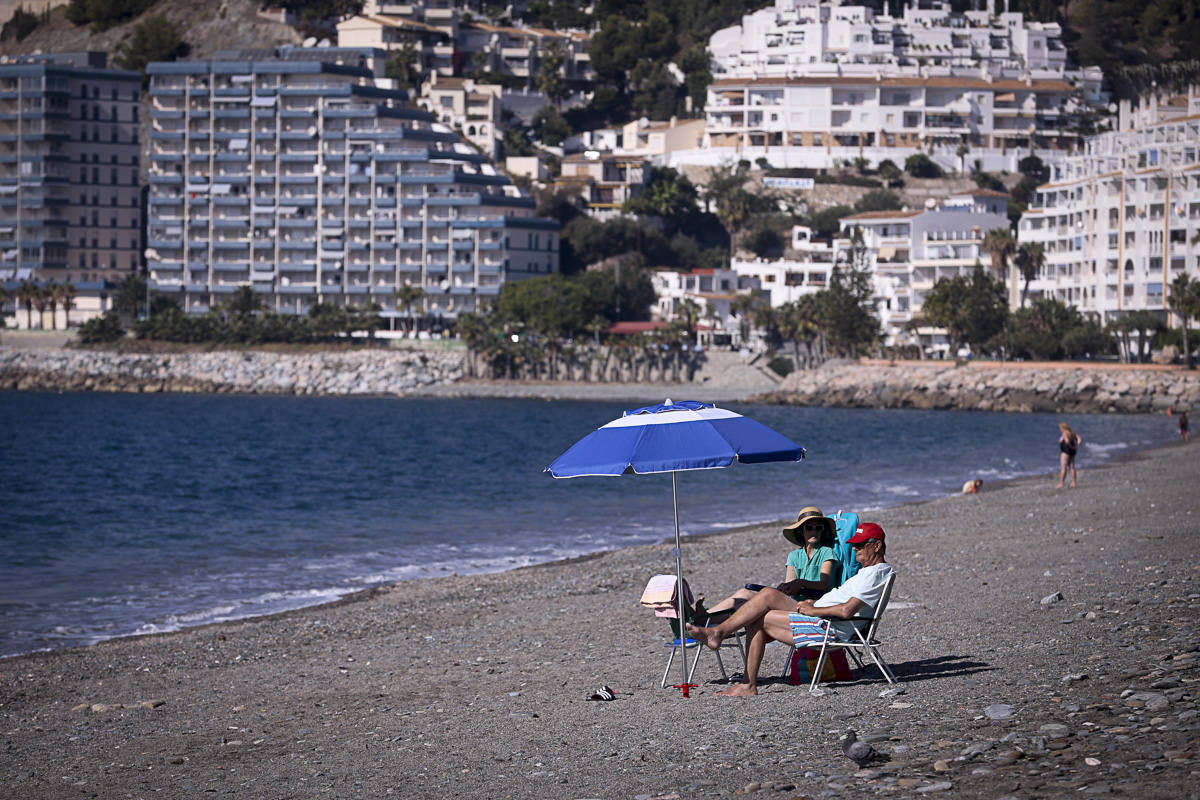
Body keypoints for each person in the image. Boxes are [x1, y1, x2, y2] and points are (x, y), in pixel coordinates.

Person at [687, 523, 894, 697]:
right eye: (854, 545)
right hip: (821, 615)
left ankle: (739, 669)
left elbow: (847, 611)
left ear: (876, 546)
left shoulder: (874, 574)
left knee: (759, 616)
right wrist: (814, 603)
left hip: (828, 625)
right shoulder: (869, 572)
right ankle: (721, 638)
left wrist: (813, 610)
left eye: (860, 545)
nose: (855, 549)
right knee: (767, 594)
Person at [701, 507, 840, 615]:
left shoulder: (827, 552)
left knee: (752, 603)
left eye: (818, 528)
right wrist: (786, 587)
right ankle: (705, 616)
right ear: (801, 531)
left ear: (823, 531)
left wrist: (800, 583)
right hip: (794, 601)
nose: (814, 531)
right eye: (809, 528)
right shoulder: (794, 556)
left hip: (813, 605)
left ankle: (706, 620)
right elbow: (790, 584)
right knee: (744, 593)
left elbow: (824, 585)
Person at [1057, 422, 1081, 488]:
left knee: (1063, 467)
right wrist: (1076, 446)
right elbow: (1079, 439)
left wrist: (1071, 446)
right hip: (1072, 452)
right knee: (1072, 467)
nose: (1060, 430)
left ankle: (1061, 483)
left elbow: (1067, 441)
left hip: (1065, 451)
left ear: (1063, 428)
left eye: (1060, 428)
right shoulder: (1072, 433)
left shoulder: (1064, 433)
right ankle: (1073, 482)